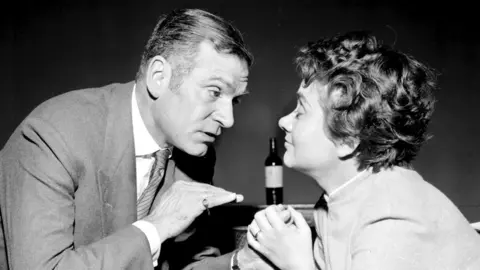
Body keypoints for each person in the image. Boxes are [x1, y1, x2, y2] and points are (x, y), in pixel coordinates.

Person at [0, 8, 269, 270]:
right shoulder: (54, 134)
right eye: (214, 91)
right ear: (159, 77)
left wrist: (239, 263)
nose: (228, 119)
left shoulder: (196, 154)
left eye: (235, 100)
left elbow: (187, 261)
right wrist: (156, 227)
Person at [245, 31, 480, 270]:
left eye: (301, 111)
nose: (285, 122)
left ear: (348, 138)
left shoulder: (391, 217)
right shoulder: (337, 200)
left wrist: (295, 264)